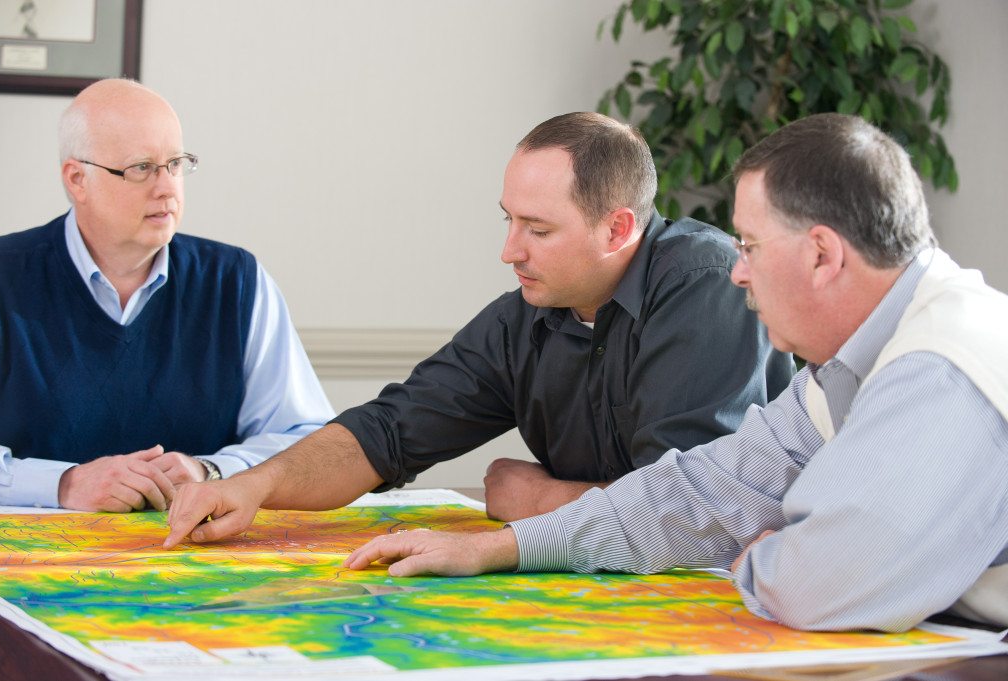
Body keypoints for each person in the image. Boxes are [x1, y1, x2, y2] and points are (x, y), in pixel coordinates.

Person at [341, 113, 1008, 633]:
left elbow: (825, 583)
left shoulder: (944, 362)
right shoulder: (844, 368)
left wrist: (766, 554)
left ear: (823, 255)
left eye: (748, 245)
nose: (737, 270)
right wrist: (504, 546)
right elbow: (700, 490)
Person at [163, 111, 791, 540]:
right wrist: (256, 484)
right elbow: (389, 430)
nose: (510, 251)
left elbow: (687, 517)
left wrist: (538, 502)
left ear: (619, 229)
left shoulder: (707, 283)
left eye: (538, 230)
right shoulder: (528, 316)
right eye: (508, 221)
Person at [0, 79, 333, 512]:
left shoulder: (236, 280)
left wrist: (210, 469)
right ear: (77, 179)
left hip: (198, 560)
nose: (167, 187)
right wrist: (64, 484)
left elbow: (306, 435)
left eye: (175, 164)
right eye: (141, 168)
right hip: (21, 564)